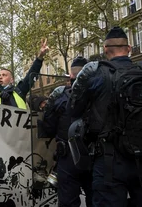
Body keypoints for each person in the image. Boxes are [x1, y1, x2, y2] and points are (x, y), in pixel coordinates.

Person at [69, 27, 142, 207]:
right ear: (129, 48)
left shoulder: (96, 74)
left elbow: (73, 109)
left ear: (104, 49)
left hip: (109, 160)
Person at [41, 56, 93, 207]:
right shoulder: (98, 93)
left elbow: (48, 128)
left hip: (68, 157)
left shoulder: (59, 97)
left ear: (71, 75)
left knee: (68, 202)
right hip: (94, 157)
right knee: (96, 199)